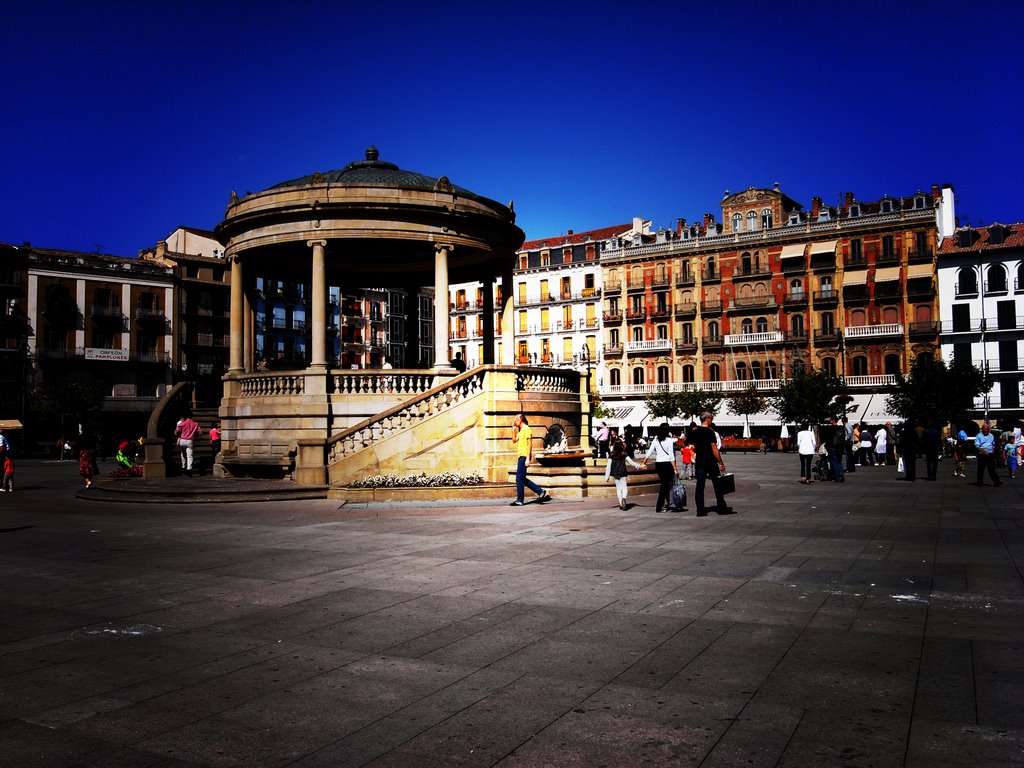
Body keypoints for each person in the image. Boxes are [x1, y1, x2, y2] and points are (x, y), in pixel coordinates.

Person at [692, 412, 733, 516]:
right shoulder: (710, 433)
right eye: (711, 418)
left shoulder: (695, 432)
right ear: (708, 419)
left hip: (700, 462)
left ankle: (700, 510)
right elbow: (714, 448)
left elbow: (692, 445)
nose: (712, 420)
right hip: (710, 461)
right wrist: (721, 462)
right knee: (717, 485)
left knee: (700, 486)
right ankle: (721, 508)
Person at [510, 414, 550, 506]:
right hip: (521, 456)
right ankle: (540, 491)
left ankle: (520, 500)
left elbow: (530, 445)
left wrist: (528, 459)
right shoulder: (521, 431)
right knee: (521, 478)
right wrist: (514, 429)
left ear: (520, 420)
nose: (514, 422)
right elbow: (514, 440)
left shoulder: (527, 429)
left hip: (525, 456)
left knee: (519, 478)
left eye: (515, 420)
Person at [642, 422, 679, 513]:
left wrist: (644, 463)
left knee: (665, 484)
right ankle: (659, 506)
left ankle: (671, 503)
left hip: (659, 464)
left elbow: (649, 452)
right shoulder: (669, 440)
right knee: (664, 485)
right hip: (667, 464)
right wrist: (675, 468)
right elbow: (671, 456)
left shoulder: (656, 440)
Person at [604, 433, 642, 510]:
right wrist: (639, 466)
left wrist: (607, 476)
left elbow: (608, 466)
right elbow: (631, 462)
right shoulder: (624, 453)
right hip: (623, 472)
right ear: (622, 445)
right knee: (624, 488)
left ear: (614, 446)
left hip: (615, 473)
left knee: (618, 488)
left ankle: (621, 504)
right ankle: (624, 498)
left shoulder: (612, 454)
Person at [974, 422, 1002, 487]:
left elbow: (993, 444)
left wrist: (992, 451)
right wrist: (984, 452)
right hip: (982, 454)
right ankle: (979, 482)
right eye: (984, 429)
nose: (985, 430)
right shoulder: (979, 436)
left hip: (990, 454)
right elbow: (977, 446)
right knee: (981, 469)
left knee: (992, 469)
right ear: (982, 429)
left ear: (988, 429)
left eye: (986, 429)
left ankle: (996, 481)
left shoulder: (991, 435)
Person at [827, 417, 845, 483]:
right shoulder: (841, 428)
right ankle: (841, 474)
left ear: (833, 420)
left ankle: (837, 477)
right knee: (839, 461)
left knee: (834, 461)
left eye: (830, 419)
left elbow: (828, 439)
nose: (829, 420)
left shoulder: (830, 429)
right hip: (840, 447)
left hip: (833, 446)